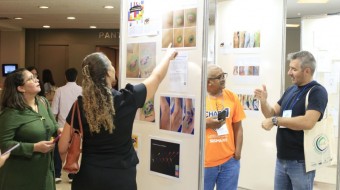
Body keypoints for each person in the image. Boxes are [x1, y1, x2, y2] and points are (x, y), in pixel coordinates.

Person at [58, 44, 177, 190]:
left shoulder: (80, 105)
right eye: (112, 64)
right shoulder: (127, 99)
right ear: (108, 72)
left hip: (89, 178)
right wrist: (168, 56)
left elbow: (62, 147)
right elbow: (156, 77)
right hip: (121, 178)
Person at [254, 51, 328, 190]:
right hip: (282, 159)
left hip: (301, 161)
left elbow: (308, 122)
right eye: (290, 68)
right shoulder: (291, 90)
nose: (289, 72)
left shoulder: (317, 92)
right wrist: (264, 102)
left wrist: (276, 121)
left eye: (293, 69)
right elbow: (271, 114)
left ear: (307, 71)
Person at [0, 68, 60, 190]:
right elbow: (5, 145)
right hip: (21, 174)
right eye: (31, 78)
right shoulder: (11, 113)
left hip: (45, 170)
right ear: (21, 88)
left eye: (35, 77)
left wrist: (61, 130)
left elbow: (53, 126)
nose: (37, 79)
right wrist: (34, 147)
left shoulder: (43, 102)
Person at [205, 64, 246, 190]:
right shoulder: (198, 97)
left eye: (224, 75)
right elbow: (187, 125)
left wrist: (237, 153)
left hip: (229, 162)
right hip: (204, 164)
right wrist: (206, 124)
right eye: (219, 77)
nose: (223, 79)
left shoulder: (232, 96)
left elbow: (238, 126)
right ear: (208, 82)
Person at [51, 68, 82, 183]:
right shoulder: (81, 90)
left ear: (65, 77)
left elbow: (53, 110)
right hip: (77, 127)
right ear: (76, 76)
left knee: (59, 150)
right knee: (74, 149)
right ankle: (72, 175)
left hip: (62, 125)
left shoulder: (59, 90)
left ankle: (57, 174)